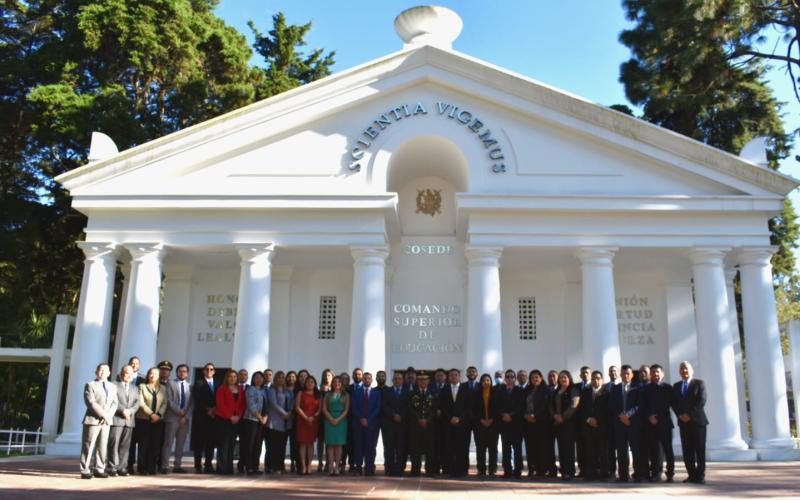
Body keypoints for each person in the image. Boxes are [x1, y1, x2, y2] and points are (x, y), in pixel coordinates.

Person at [672, 361, 708, 484]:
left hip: (698, 422)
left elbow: (701, 401)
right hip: (683, 422)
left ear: (692, 370)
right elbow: (674, 403)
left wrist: (689, 415)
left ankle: (700, 475)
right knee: (687, 450)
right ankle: (691, 475)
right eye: (682, 369)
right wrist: (680, 415)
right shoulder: (676, 386)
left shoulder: (699, 383)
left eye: (686, 368)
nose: (684, 371)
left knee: (699, 450)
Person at [79, 363, 117, 479]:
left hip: (106, 421)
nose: (102, 372)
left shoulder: (112, 387)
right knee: (88, 445)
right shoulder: (90, 385)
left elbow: (115, 403)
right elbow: (91, 402)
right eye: (100, 370)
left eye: (105, 370)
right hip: (93, 419)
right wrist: (103, 415)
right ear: (96, 372)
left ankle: (99, 468)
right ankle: (85, 469)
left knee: (102, 445)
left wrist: (108, 416)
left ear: (109, 373)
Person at [610, 365, 643, 482]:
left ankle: (638, 474)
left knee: (636, 449)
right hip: (619, 423)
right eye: (623, 373)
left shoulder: (638, 387)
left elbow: (639, 404)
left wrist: (628, 415)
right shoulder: (615, 388)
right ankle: (623, 475)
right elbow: (612, 405)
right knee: (621, 450)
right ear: (620, 374)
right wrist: (621, 416)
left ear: (632, 375)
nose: (625, 375)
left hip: (633, 423)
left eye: (628, 373)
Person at [644, 364, 675, 482]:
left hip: (665, 423)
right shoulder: (646, 388)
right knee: (654, 450)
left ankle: (670, 473)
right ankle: (656, 473)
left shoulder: (668, 388)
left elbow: (670, 404)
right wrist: (649, 416)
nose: (655, 374)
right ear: (650, 374)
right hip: (651, 424)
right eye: (653, 372)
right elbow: (643, 405)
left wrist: (658, 417)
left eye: (657, 372)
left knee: (668, 449)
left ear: (662, 374)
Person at [438, 368, 471, 478]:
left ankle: (462, 469)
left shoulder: (466, 389)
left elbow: (468, 407)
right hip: (448, 423)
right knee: (448, 447)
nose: (453, 377)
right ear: (448, 377)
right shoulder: (444, 389)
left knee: (462, 447)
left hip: (463, 424)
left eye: (456, 375)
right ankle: (448, 469)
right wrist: (450, 418)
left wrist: (459, 418)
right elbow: (442, 406)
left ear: (459, 376)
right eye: (451, 375)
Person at [579, 370, 610, 481]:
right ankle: (590, 473)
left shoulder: (607, 393)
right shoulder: (585, 393)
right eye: (593, 379)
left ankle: (604, 474)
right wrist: (588, 419)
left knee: (603, 451)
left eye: (598, 378)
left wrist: (597, 420)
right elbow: (581, 409)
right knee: (589, 451)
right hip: (588, 426)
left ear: (602, 380)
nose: (595, 381)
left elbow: (608, 410)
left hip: (602, 426)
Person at [161, 363, 192, 474]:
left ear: (187, 374)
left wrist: (186, 416)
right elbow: (169, 400)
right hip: (172, 417)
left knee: (180, 443)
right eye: (180, 371)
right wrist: (179, 411)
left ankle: (177, 465)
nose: (182, 373)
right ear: (177, 372)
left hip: (184, 420)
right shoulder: (170, 384)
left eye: (184, 371)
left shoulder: (190, 386)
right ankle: (165, 466)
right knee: (168, 443)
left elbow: (192, 404)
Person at [109, 364, 139, 477]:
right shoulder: (113, 385)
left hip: (129, 420)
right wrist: (123, 410)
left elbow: (137, 403)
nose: (129, 375)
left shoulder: (134, 388)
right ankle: (112, 467)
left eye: (131, 374)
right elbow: (112, 400)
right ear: (121, 373)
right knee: (114, 444)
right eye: (127, 373)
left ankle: (122, 467)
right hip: (117, 418)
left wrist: (130, 411)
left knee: (125, 446)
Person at [135, 367, 166, 475]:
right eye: (151, 374)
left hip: (158, 420)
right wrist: (151, 414)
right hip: (144, 419)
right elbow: (141, 403)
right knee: (143, 444)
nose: (153, 376)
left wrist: (158, 415)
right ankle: (142, 468)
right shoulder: (142, 386)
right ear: (148, 375)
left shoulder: (163, 388)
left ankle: (151, 467)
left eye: (156, 374)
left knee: (155, 444)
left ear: (159, 376)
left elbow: (165, 403)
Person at [550, 370, 580, 481]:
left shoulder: (574, 390)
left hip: (569, 423)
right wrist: (554, 416)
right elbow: (550, 406)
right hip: (557, 423)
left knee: (568, 448)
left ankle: (569, 472)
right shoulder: (556, 391)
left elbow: (574, 405)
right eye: (561, 377)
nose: (563, 379)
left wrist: (562, 417)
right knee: (561, 447)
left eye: (565, 377)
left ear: (569, 378)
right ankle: (563, 471)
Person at [495, 369, 524, 478]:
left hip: (516, 424)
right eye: (507, 377)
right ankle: (507, 470)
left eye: (512, 376)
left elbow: (521, 406)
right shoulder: (500, 390)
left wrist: (511, 415)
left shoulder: (519, 390)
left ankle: (518, 471)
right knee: (506, 448)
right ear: (505, 379)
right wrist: (503, 415)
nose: (509, 378)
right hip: (504, 424)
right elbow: (496, 405)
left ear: (515, 379)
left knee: (517, 449)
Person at [351, 372, 382, 476]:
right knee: (358, 446)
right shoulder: (356, 392)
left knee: (371, 447)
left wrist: (368, 419)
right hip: (358, 423)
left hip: (372, 424)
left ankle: (369, 467)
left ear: (371, 380)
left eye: (369, 378)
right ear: (362, 380)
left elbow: (377, 408)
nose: (367, 380)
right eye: (365, 378)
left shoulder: (376, 393)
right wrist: (361, 418)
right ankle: (358, 468)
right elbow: (354, 407)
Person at [215, 369, 245, 475]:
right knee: (223, 444)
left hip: (236, 420)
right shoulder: (222, 389)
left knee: (231, 444)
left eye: (234, 377)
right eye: (230, 376)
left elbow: (242, 404)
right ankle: (221, 468)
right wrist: (230, 416)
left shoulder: (240, 389)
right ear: (227, 378)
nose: (232, 378)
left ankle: (229, 468)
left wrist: (238, 416)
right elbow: (220, 404)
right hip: (223, 419)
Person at [408, 371, 437, 477]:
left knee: (430, 448)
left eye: (425, 379)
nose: (422, 381)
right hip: (416, 426)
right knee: (415, 449)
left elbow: (435, 409)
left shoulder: (433, 394)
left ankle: (430, 470)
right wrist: (419, 419)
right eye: (420, 379)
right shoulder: (412, 394)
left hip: (429, 426)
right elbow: (410, 408)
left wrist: (427, 420)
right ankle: (415, 470)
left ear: (428, 381)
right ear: (417, 381)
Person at [191, 363, 217, 473]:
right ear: (203, 371)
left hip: (213, 417)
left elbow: (219, 399)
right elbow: (197, 398)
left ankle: (208, 465)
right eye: (207, 369)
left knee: (210, 442)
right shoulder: (198, 383)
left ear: (214, 371)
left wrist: (214, 409)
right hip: (201, 416)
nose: (209, 371)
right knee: (199, 442)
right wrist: (208, 410)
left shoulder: (218, 384)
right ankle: (197, 465)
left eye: (211, 369)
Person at [267, 371, 294, 473]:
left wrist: (290, 412)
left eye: (283, 377)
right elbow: (274, 404)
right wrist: (284, 413)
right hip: (275, 421)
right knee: (274, 445)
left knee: (282, 445)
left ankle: (280, 466)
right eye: (279, 377)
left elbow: (292, 402)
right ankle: (273, 466)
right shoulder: (272, 390)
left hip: (286, 422)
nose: (281, 379)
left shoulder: (288, 391)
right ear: (275, 379)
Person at [381, 371, 408, 476]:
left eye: (399, 379)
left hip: (402, 423)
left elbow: (408, 406)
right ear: (392, 380)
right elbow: (384, 406)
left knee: (401, 448)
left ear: (402, 380)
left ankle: (399, 469)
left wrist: (401, 415)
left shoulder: (407, 392)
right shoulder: (387, 391)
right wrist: (393, 415)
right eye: (395, 379)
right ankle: (389, 469)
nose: (397, 380)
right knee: (389, 448)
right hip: (389, 424)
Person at [323, 375, 349, 476]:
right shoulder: (328, 395)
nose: (337, 383)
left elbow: (346, 410)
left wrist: (338, 419)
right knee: (330, 444)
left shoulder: (346, 395)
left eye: (339, 382)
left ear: (341, 384)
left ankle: (337, 466)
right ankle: (330, 466)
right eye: (335, 381)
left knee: (338, 444)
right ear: (332, 383)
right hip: (329, 420)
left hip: (341, 420)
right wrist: (330, 418)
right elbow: (324, 408)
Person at [242, 371, 267, 475]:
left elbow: (267, 405)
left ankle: (255, 466)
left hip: (261, 422)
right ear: (253, 379)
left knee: (258, 444)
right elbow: (251, 404)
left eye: (261, 378)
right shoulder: (250, 389)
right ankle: (249, 467)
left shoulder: (264, 391)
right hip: (251, 420)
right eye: (256, 377)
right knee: (250, 444)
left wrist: (265, 417)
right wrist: (259, 416)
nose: (259, 379)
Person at [473, 373, 498, 477]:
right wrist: (481, 420)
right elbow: (473, 409)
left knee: (493, 449)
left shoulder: (496, 393)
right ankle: (481, 469)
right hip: (480, 424)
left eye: (488, 380)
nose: (486, 382)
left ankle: (492, 469)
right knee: (480, 448)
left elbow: (498, 408)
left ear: (491, 382)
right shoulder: (476, 394)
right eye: (484, 380)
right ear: (481, 382)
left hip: (493, 424)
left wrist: (492, 419)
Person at [296, 375, 321, 475]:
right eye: (308, 382)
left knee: (310, 443)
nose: (309, 383)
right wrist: (306, 417)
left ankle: (309, 465)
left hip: (313, 421)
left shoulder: (318, 395)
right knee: (303, 443)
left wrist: (313, 417)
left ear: (315, 384)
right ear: (305, 384)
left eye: (312, 382)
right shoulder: (301, 393)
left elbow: (319, 409)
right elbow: (297, 407)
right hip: (302, 420)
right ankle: (303, 466)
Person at [604, 365, 620, 479]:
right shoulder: (605, 387)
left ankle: (624, 471)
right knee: (610, 449)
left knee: (622, 449)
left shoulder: (622, 385)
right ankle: (612, 471)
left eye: (615, 371)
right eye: (611, 371)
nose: (613, 373)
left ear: (618, 373)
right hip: (608, 423)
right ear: (608, 373)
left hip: (621, 421)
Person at [316, 368, 334, 473]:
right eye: (325, 375)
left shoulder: (335, 390)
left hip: (330, 418)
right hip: (320, 418)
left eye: (329, 375)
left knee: (329, 441)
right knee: (320, 441)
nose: (327, 377)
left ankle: (328, 462)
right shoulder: (319, 389)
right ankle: (320, 462)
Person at [544, 369, 559, 477]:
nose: (551, 378)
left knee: (563, 447)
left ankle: (566, 470)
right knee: (549, 448)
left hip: (561, 422)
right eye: (549, 376)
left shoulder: (562, 388)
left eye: (553, 376)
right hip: (548, 423)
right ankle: (552, 470)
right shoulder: (545, 389)